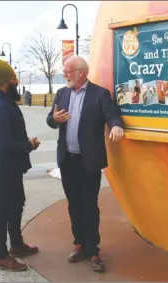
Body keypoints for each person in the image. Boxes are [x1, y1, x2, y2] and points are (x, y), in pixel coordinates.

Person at [46, 56, 124, 273]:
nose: (64, 75)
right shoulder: (62, 94)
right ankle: (79, 244)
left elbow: (112, 115)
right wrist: (55, 120)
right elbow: (50, 119)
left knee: (89, 206)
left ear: (80, 72)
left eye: (67, 71)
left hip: (88, 161)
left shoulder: (100, 94)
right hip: (67, 160)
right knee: (73, 204)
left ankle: (93, 250)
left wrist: (116, 127)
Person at [0, 59, 40, 272]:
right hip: (4, 167)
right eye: (14, 77)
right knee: (4, 209)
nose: (17, 80)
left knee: (16, 203)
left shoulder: (3, 102)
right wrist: (29, 144)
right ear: (5, 81)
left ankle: (16, 244)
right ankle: (1, 256)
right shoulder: (0, 107)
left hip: (10, 166)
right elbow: (4, 144)